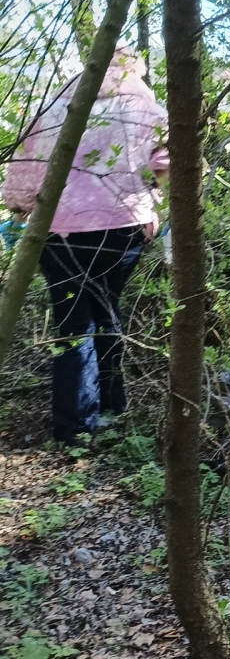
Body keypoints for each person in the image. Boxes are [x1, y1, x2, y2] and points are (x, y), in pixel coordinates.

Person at [2, 50, 168, 443]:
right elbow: (165, 163)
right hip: (123, 227)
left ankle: (74, 429)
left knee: (73, 322)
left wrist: (19, 209)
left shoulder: (58, 105)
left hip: (59, 230)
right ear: (133, 71)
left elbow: (27, 159)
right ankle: (112, 409)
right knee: (107, 311)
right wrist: (164, 210)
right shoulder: (145, 107)